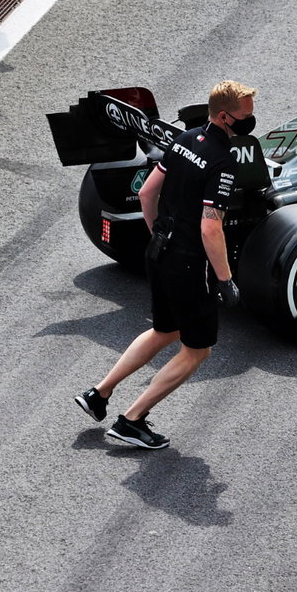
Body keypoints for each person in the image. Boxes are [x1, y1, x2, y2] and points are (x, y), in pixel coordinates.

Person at [74, 80, 254, 448]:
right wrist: (225, 279)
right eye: (245, 115)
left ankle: (99, 394)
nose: (250, 120)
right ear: (224, 117)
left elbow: (146, 193)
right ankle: (131, 421)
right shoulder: (223, 161)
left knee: (164, 331)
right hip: (190, 265)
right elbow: (210, 227)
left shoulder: (184, 140)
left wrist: (158, 232)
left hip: (158, 252)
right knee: (197, 349)